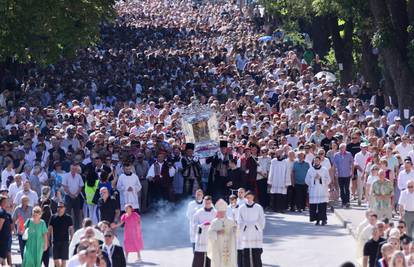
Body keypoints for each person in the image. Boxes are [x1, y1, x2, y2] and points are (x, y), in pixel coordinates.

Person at [237, 191, 265, 267]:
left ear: (253, 197)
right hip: (245, 233)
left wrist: (256, 225)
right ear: (245, 198)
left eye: (250, 197)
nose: (249, 199)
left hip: (255, 233)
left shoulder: (258, 207)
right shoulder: (241, 208)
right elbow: (239, 220)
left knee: (256, 253)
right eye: (247, 197)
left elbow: (262, 220)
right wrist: (245, 225)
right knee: (245, 253)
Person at [207, 199, 237, 267]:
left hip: (229, 245)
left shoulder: (231, 221)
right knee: (218, 262)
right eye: (220, 212)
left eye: (223, 212)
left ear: (225, 211)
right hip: (218, 246)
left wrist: (235, 229)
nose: (222, 213)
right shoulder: (214, 222)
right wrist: (217, 232)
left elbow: (236, 232)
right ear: (217, 212)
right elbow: (209, 233)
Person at [305, 156, 331, 225]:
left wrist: (321, 178)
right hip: (314, 191)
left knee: (322, 205)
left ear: (320, 161)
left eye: (317, 160)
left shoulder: (324, 169)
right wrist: (313, 178)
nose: (316, 162)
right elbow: (306, 180)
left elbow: (328, 180)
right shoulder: (310, 170)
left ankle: (323, 219)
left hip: (322, 190)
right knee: (314, 206)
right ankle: (317, 219)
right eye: (315, 161)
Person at [192, 195, 217, 267]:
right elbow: (194, 225)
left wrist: (211, 225)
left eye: (209, 203)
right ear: (204, 202)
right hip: (201, 238)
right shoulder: (198, 212)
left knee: (210, 259)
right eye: (206, 203)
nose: (207, 205)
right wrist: (202, 225)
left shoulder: (215, 213)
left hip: (211, 238)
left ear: (211, 202)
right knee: (198, 258)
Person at [49, 201, 74, 267]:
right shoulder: (53, 217)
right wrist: (48, 239)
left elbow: (71, 229)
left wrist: (72, 238)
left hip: (65, 241)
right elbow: (49, 229)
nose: (59, 208)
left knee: (64, 260)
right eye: (58, 207)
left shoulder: (69, 218)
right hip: (55, 241)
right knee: (55, 259)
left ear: (65, 208)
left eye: (61, 207)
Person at [62, 163, 84, 230]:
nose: (74, 170)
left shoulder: (79, 176)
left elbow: (81, 186)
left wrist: (76, 194)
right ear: (70, 169)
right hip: (68, 197)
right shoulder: (66, 175)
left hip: (77, 197)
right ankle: (66, 228)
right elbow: (64, 186)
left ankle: (76, 229)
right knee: (67, 214)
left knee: (77, 214)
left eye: (75, 169)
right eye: (72, 169)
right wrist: (71, 194)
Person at [333, 143, 354, 208]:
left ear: (345, 148)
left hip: (347, 174)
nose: (342, 149)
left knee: (347, 189)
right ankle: (343, 202)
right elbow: (334, 165)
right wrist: (335, 173)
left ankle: (347, 201)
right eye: (341, 148)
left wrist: (352, 172)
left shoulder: (349, 154)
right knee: (342, 189)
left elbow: (352, 163)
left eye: (343, 148)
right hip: (340, 175)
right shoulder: (336, 155)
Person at [12, 195, 32, 259]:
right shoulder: (17, 209)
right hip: (20, 232)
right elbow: (13, 219)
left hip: (30, 232)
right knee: (22, 250)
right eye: (24, 201)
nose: (25, 202)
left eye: (26, 200)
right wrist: (14, 229)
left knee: (29, 250)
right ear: (21, 201)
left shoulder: (31, 208)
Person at [0, 196, 12, 266]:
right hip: (3, 238)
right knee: (1, 256)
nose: (7, 203)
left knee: (3, 257)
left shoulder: (5, 212)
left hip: (5, 238)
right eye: (6, 201)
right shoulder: (2, 212)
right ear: (3, 203)